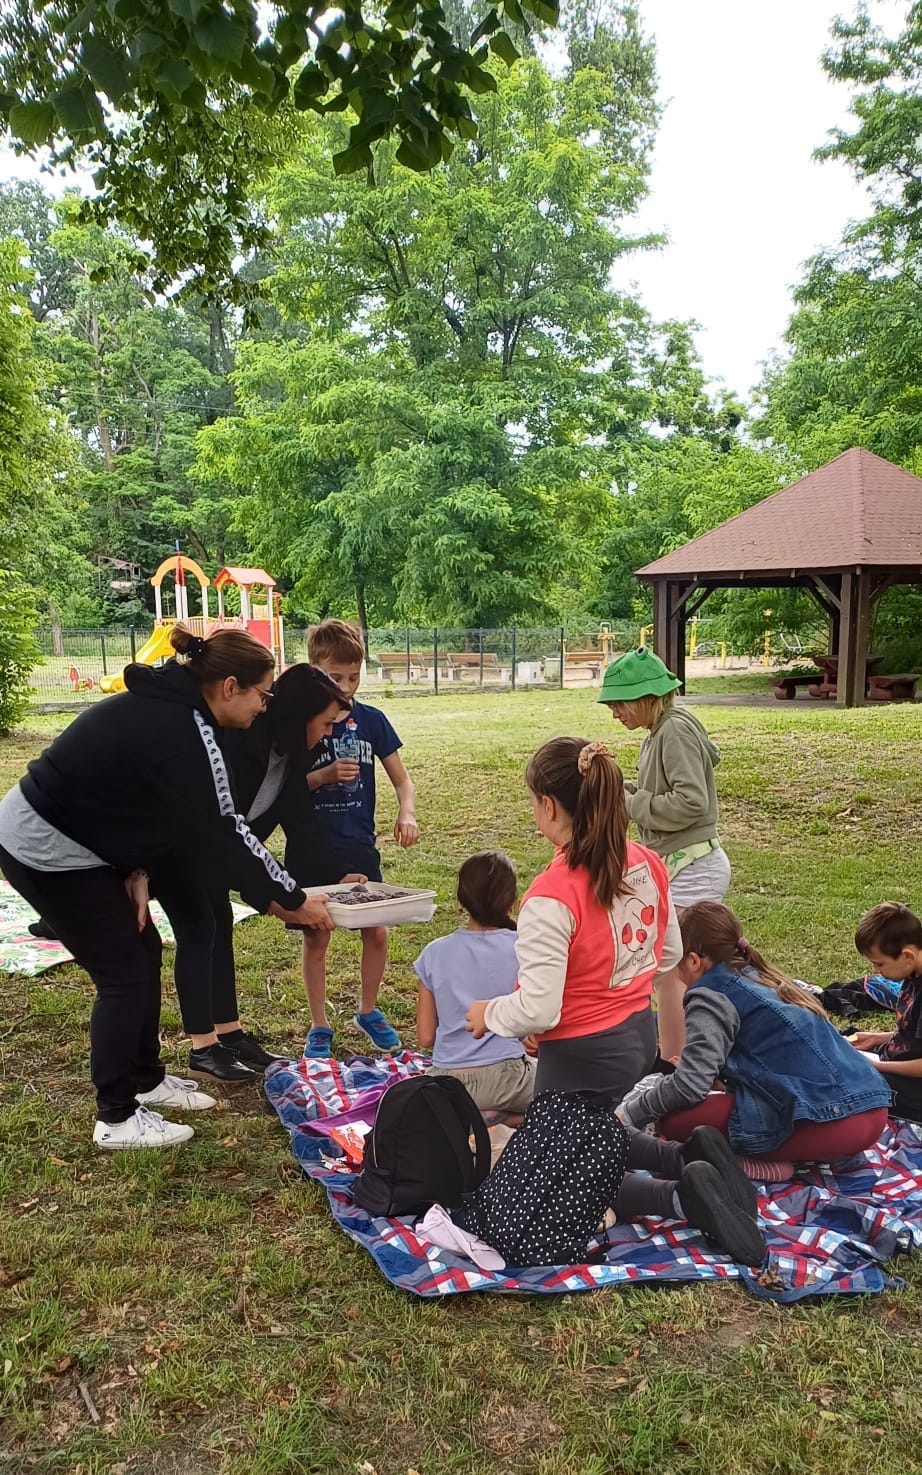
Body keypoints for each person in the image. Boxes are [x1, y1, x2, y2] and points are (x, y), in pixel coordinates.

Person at [0, 626, 333, 1150]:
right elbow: (223, 828)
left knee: (145, 950)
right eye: (261, 694)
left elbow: (152, 805)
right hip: (47, 845)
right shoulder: (182, 727)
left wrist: (136, 871)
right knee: (123, 974)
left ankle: (146, 1079)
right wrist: (291, 899)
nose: (264, 706)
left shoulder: (181, 714)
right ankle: (116, 1117)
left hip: (85, 842)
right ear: (229, 686)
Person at [149, 662, 353, 1082]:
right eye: (326, 723)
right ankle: (203, 1049)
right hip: (178, 849)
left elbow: (302, 824)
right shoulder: (237, 744)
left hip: (219, 854)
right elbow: (224, 832)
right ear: (299, 717)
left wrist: (338, 877)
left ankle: (229, 1034)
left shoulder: (292, 757)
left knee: (218, 925)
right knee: (200, 928)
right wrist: (278, 900)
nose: (329, 734)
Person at [465, 738, 684, 1099]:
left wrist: (489, 1014)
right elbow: (669, 953)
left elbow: (538, 1009)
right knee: (620, 1128)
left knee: (563, 1139)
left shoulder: (550, 897)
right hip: (640, 1036)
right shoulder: (648, 863)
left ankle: (667, 1151)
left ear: (549, 806)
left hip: (580, 1061)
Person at [617, 902, 891, 1163]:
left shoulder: (710, 996)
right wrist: (716, 1078)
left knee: (673, 1119)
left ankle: (750, 1167)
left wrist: (627, 1116)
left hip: (837, 1122)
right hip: (873, 1109)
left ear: (693, 961)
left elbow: (689, 1087)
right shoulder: (760, 976)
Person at [288, 619, 420, 1058]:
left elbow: (402, 780)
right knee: (316, 937)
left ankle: (368, 1010)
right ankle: (319, 1025)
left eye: (353, 677)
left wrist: (406, 812)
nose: (345, 687)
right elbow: (285, 791)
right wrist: (322, 776)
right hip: (312, 848)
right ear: (314, 670)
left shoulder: (372, 721)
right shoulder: (304, 723)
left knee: (376, 932)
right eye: (335, 677)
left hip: (358, 844)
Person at [599, 647, 729, 909]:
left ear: (645, 697)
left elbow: (691, 802)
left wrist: (631, 804)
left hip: (693, 869)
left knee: (683, 938)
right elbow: (658, 790)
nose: (615, 713)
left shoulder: (674, 732)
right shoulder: (657, 732)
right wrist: (617, 789)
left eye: (619, 704)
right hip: (680, 863)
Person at [415, 851, 536, 1115]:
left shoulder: (433, 954)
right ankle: (509, 1120)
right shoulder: (525, 948)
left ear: (462, 900)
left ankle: (481, 1121)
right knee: (566, 1090)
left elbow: (425, 1037)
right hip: (509, 1080)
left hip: (446, 1086)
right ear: (513, 901)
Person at [851, 903, 922, 1124]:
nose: (876, 971)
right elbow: (914, 1035)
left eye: (879, 963)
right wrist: (876, 1038)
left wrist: (876, 1067)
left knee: (848, 1083)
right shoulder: (912, 972)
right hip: (893, 1062)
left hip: (913, 1087)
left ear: (907, 955)